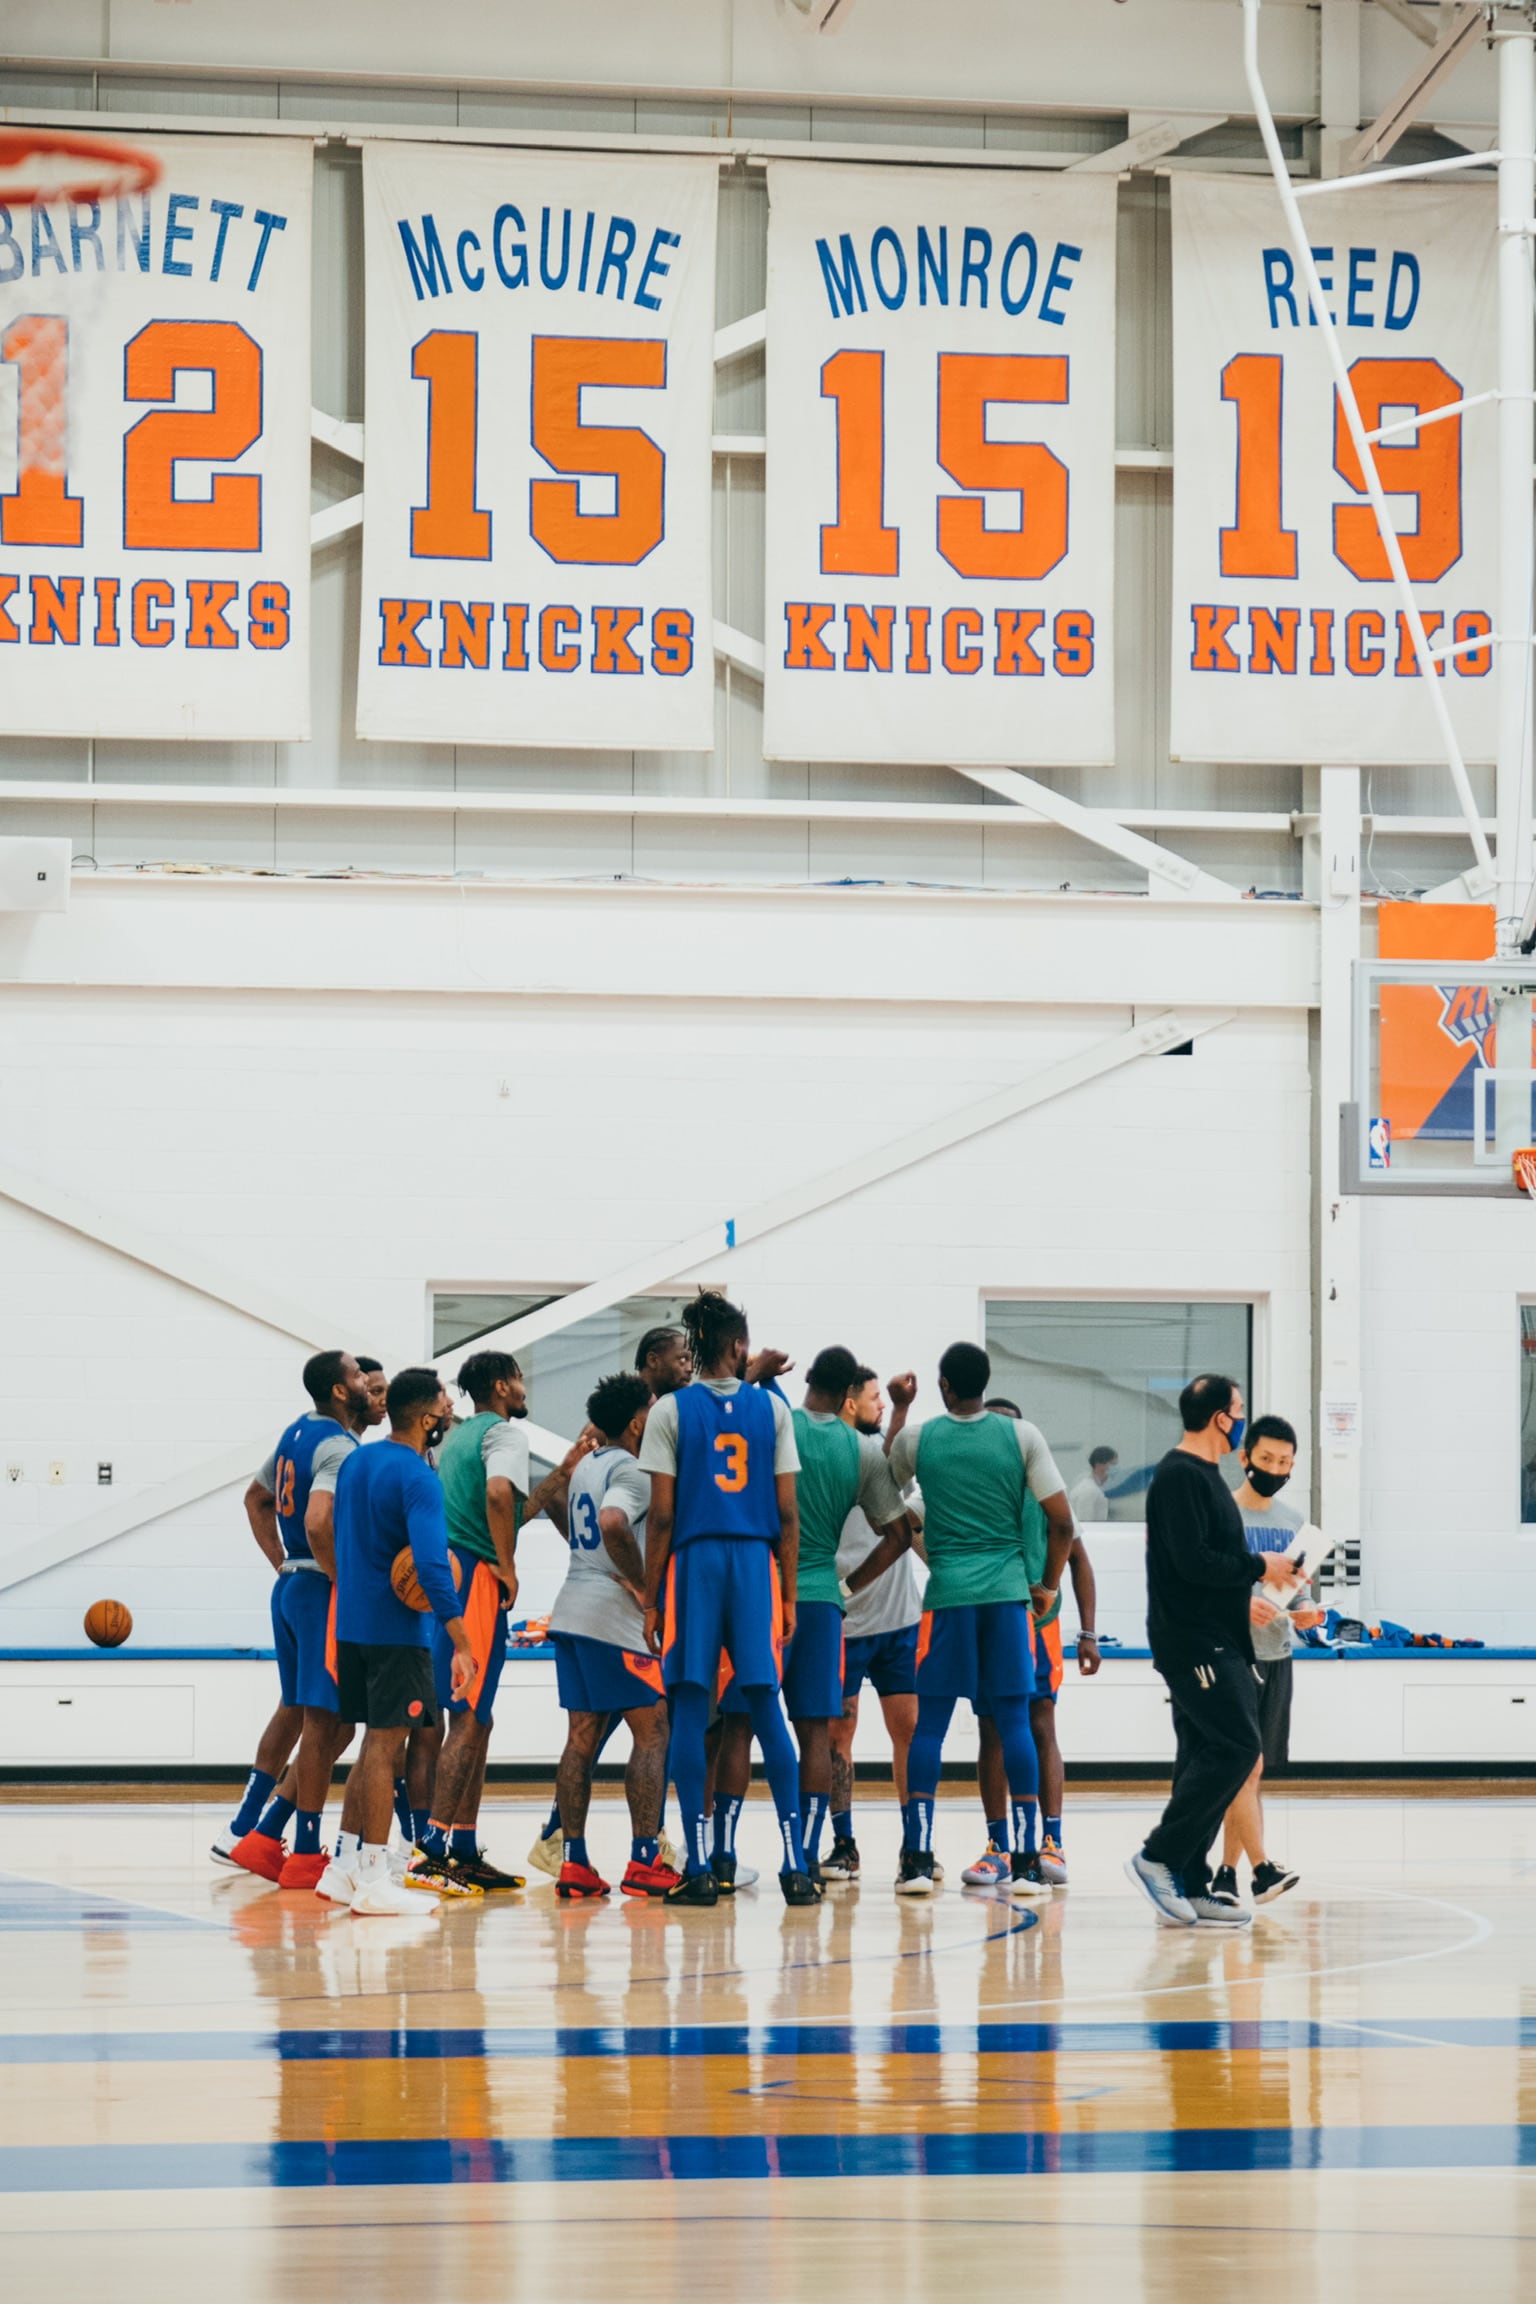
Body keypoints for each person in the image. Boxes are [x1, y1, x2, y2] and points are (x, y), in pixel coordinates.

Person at [639, 1289, 820, 1907]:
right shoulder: (771, 1410)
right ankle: (797, 1866)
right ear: (739, 1346)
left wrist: (651, 1598)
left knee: (691, 1710)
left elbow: (661, 1517)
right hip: (754, 1563)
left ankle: (698, 1868)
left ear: (696, 1346)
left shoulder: (669, 1410)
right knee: (766, 1707)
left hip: (693, 1563)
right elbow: (789, 1512)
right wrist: (788, 1594)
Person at [887, 1343, 1075, 1902]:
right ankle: (1027, 1863)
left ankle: (917, 1861)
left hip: (948, 1595)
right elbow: (1063, 1524)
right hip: (1008, 1598)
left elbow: (884, 1489)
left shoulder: (919, 1439)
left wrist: (899, 1410)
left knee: (929, 1729)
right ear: (985, 1382)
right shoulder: (1022, 1437)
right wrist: (1046, 1587)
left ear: (944, 1384)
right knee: (1015, 1724)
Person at [717, 1346, 908, 1883]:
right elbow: (898, 1535)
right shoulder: (861, 1449)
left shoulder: (777, 1422)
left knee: (738, 1726)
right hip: (823, 1597)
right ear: (848, 1395)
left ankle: (724, 1854)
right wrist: (851, 1583)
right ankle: (802, 1856)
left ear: (808, 1381)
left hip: (762, 1590)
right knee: (816, 1734)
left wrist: (753, 1372)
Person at [1126, 1374, 1297, 1928]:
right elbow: (1192, 1562)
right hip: (1195, 1640)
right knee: (1239, 1746)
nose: (1242, 1418)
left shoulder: (1207, 1475)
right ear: (1220, 1417)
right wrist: (1259, 1565)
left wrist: (1257, 1588)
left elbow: (1209, 1562)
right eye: (1238, 1410)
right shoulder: (1180, 1476)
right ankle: (1158, 1856)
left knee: (1202, 1753)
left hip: (1218, 1637)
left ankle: (1193, 1881)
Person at [412, 1350, 578, 1894]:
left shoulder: (458, 1438)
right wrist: (507, 1567)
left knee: (475, 1717)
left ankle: (461, 1846)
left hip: (450, 1573)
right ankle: (431, 1848)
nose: (525, 1387)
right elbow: (499, 1495)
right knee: (467, 1717)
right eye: (520, 1378)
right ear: (502, 1386)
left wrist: (562, 1474)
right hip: (476, 1580)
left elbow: (509, 1511)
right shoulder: (505, 1434)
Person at [318, 1366, 475, 1917]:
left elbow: (332, 1531)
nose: (449, 1413)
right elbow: (431, 1567)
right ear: (427, 1418)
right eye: (444, 1406)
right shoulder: (418, 1477)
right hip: (396, 1633)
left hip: (352, 1625)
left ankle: (342, 1866)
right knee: (389, 1749)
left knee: (373, 1745)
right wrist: (461, 1640)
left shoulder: (357, 1461)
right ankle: (374, 1876)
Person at [222, 1350, 370, 1884]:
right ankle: (305, 1849)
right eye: (358, 1375)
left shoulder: (295, 1433)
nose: (366, 1381)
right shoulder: (338, 1447)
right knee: (323, 1721)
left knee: (314, 1715)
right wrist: (340, 1577)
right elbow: (317, 1520)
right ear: (339, 1390)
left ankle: (255, 1828)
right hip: (318, 1590)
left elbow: (255, 1499)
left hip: (291, 1585)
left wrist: (282, 1562)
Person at [960, 1398, 1101, 1892]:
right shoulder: (972, 1488)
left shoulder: (1046, 1489)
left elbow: (1079, 1559)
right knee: (991, 1730)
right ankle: (998, 1846)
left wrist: (1088, 1633)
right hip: (986, 1618)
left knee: (1041, 1723)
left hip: (1038, 1624)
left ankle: (1051, 1840)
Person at [550, 1371, 681, 1900]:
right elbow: (611, 1522)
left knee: (580, 1740)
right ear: (636, 1424)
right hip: (612, 1618)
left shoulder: (587, 1464)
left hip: (571, 1609)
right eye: (651, 1409)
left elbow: (559, 1504)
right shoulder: (631, 1468)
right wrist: (645, 1587)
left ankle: (573, 1862)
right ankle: (644, 1859)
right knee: (653, 1730)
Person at [1210, 1415, 1322, 1908]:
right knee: (1245, 1766)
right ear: (1245, 1458)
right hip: (1230, 1655)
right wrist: (1238, 1607)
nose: (1275, 1469)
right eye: (1266, 1459)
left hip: (1277, 1654)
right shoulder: (1220, 1515)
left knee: (1251, 1774)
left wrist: (1307, 1613)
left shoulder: (1294, 1524)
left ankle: (1225, 1873)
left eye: (1284, 1462)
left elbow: (1299, 1592)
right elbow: (1200, 1586)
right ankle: (1260, 1869)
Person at [822, 1365, 925, 1883]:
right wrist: (901, 1407)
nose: (881, 1405)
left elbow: (892, 1469)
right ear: (848, 1403)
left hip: (897, 1621)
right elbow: (881, 1465)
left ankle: (915, 1846)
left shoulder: (880, 1457)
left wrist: (901, 1408)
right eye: (873, 1398)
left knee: (908, 1732)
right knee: (838, 1736)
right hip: (843, 1623)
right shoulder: (827, 1456)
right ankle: (844, 1844)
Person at [1067, 1447, 1118, 1525]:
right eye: (1112, 1466)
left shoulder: (1091, 1488)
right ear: (1099, 1465)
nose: (1114, 1470)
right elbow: (1085, 1524)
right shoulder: (1089, 1491)